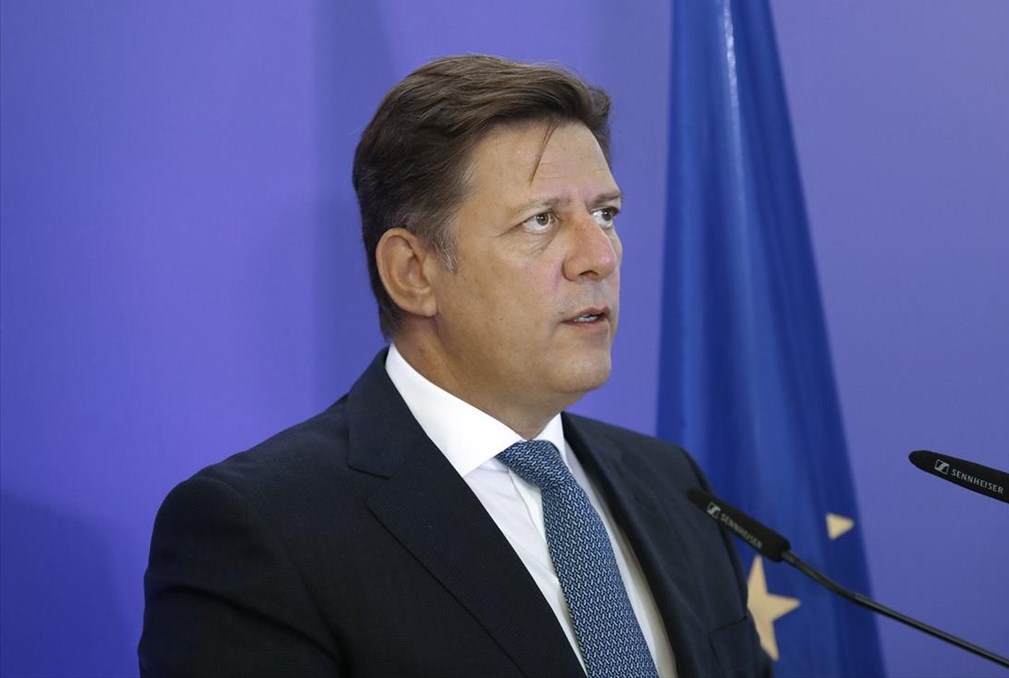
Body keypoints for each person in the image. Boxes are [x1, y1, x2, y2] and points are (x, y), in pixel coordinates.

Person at [139, 54, 769, 678]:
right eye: (541, 221)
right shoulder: (263, 527)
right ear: (413, 273)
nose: (600, 257)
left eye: (605, 214)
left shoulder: (674, 485)